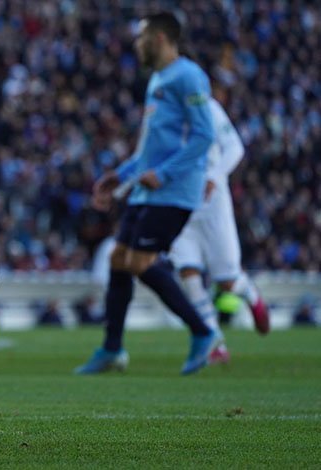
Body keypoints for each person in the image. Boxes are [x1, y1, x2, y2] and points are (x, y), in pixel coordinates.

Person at [76, 12, 219, 375]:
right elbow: (147, 151)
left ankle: (203, 331)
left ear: (159, 39)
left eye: (141, 38)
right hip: (146, 190)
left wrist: (165, 173)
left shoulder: (188, 76)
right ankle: (112, 349)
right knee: (118, 258)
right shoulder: (158, 78)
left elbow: (204, 135)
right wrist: (119, 176)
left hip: (174, 191)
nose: (136, 45)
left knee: (140, 262)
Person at [169, 97, 270, 363]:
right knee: (188, 273)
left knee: (227, 280)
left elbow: (234, 147)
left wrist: (215, 175)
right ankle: (214, 341)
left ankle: (250, 294)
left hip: (213, 204)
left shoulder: (207, 107)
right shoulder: (160, 109)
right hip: (178, 203)